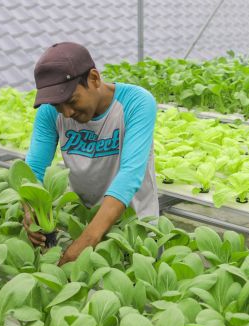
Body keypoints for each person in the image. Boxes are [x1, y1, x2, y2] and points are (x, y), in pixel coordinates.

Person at [23, 42, 158, 265]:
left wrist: (87, 240)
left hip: (134, 227)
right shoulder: (50, 112)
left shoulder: (136, 103)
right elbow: (33, 171)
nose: (66, 113)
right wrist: (29, 211)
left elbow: (130, 175)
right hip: (83, 222)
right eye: (58, 106)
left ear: (94, 78)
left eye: (72, 100)